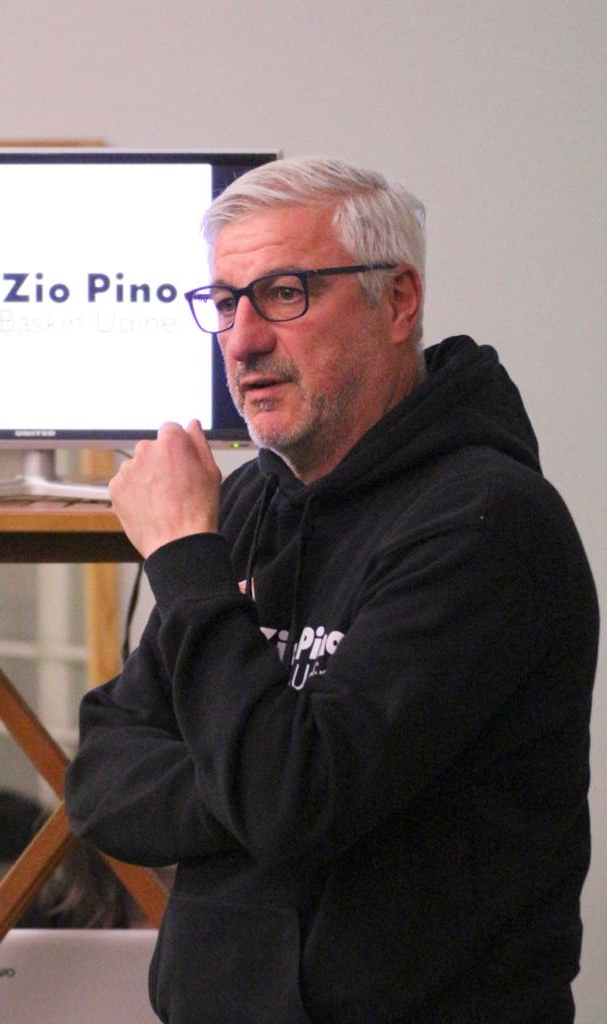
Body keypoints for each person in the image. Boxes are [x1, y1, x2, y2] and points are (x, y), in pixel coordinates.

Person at [64, 156, 599, 1023]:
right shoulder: (245, 504)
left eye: (283, 293)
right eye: (225, 302)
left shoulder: (487, 525)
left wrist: (187, 558)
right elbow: (101, 778)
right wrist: (255, 785)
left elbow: (293, 802)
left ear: (398, 301)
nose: (241, 340)